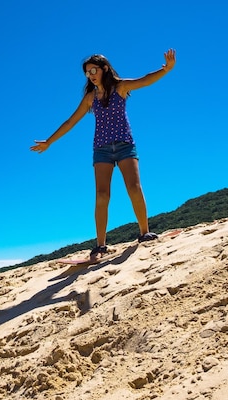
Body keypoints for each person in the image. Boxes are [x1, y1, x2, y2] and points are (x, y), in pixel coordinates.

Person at [30, 49, 176, 261]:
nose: (91, 75)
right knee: (102, 195)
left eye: (93, 70)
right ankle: (100, 245)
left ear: (104, 69)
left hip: (125, 145)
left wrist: (167, 70)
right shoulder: (90, 98)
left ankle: (144, 233)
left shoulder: (120, 87)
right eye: (87, 72)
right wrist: (49, 142)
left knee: (134, 187)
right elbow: (71, 121)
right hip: (101, 149)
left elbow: (145, 80)